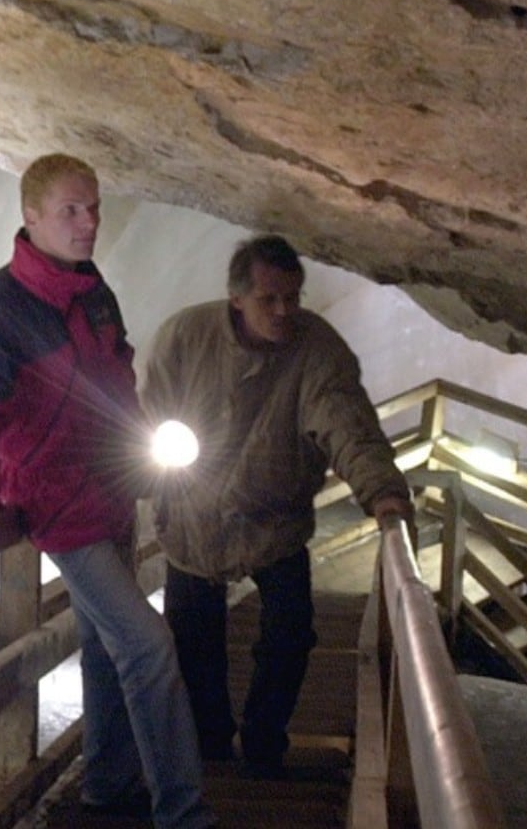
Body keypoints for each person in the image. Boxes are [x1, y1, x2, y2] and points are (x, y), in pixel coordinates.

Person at [0, 153, 214, 829]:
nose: (88, 221)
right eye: (71, 210)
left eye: (93, 207)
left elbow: (117, 381)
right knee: (147, 646)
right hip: (57, 505)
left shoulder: (91, 290)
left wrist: (143, 453)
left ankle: (104, 786)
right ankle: (184, 815)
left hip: (109, 490)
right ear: (30, 217)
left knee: (104, 645)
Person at [143, 234, 413, 778]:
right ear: (236, 297)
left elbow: (346, 424)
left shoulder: (315, 350)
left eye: (293, 297)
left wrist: (382, 491)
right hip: (196, 519)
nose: (284, 310)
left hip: (275, 521)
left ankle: (265, 740)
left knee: (291, 633)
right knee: (194, 645)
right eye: (270, 299)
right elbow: (148, 419)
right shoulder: (187, 338)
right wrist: (153, 481)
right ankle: (211, 750)